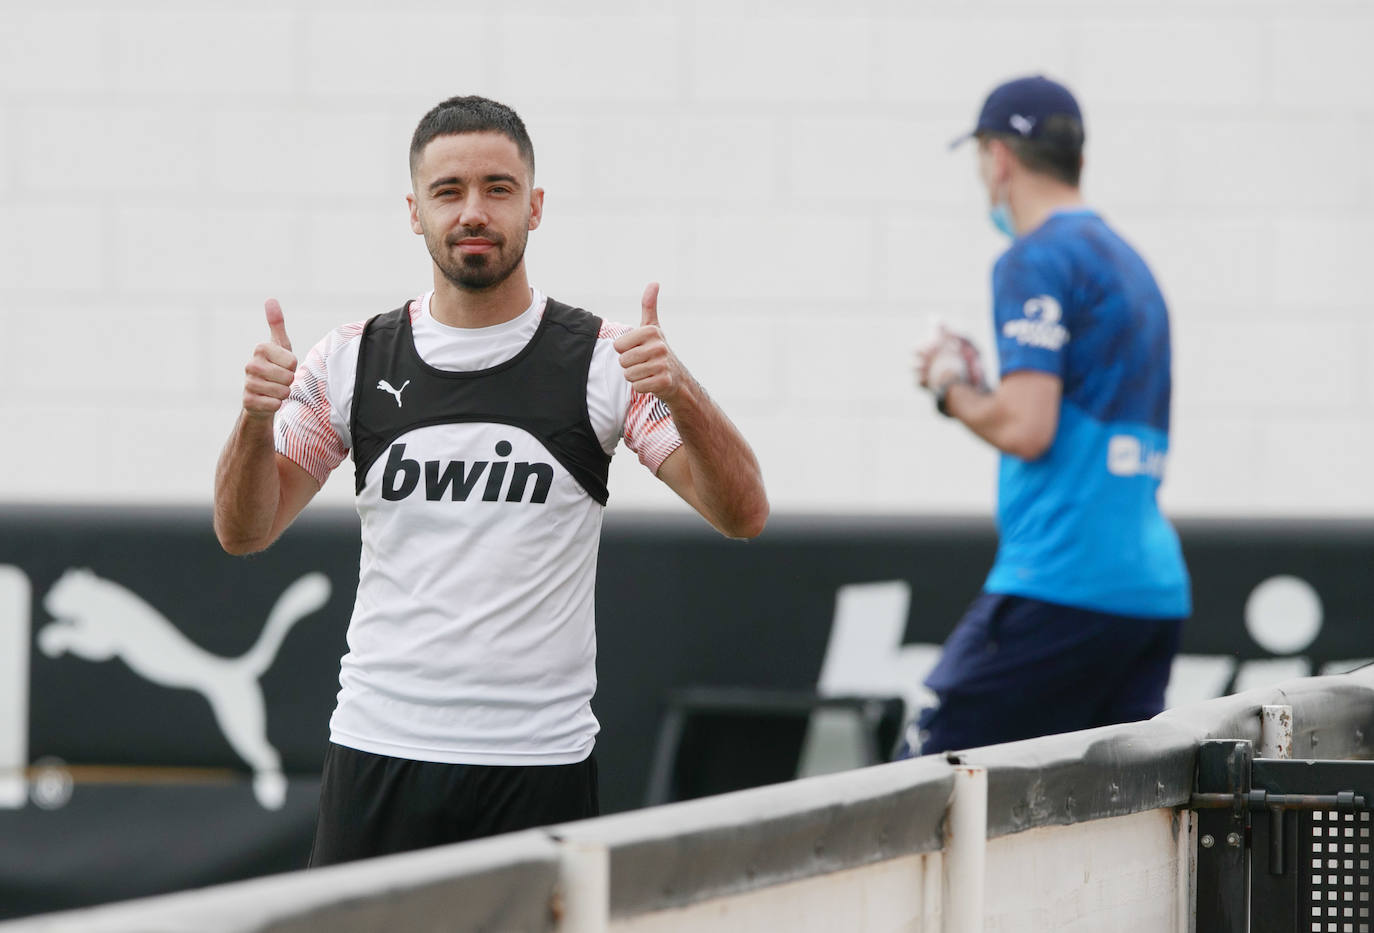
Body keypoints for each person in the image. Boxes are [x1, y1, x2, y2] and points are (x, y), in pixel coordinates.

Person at [212, 95, 768, 864]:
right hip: (381, 748)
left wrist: (683, 391)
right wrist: (251, 420)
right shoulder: (351, 359)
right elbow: (244, 530)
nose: (474, 210)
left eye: (497, 189)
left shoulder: (605, 359)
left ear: (535, 206)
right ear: (415, 212)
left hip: (537, 762)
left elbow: (742, 513)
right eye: (449, 191)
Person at [906, 75, 1190, 756]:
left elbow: (1026, 427)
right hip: (1150, 595)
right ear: (1079, 160)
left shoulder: (1031, 260)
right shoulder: (1131, 264)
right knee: (1097, 833)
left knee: (922, 785)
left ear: (999, 159)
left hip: (1064, 580)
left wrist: (948, 385)